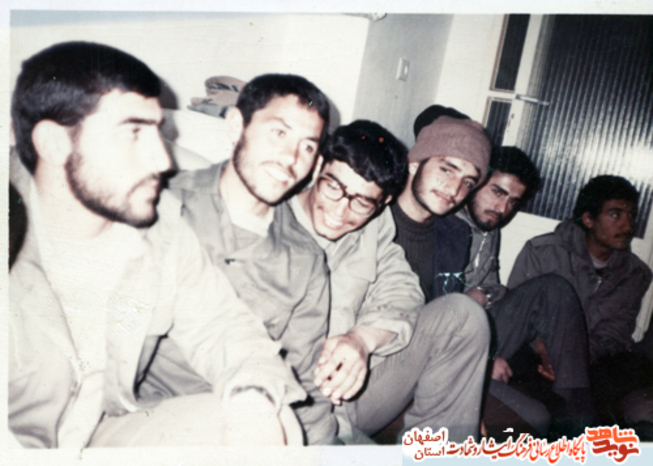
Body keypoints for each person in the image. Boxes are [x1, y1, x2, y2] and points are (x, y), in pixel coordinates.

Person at [9, 41, 305, 448]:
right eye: (133, 132)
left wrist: (251, 407)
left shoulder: (159, 227)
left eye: (157, 132)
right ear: (54, 143)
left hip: (100, 434)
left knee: (272, 417)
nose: (163, 161)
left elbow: (224, 328)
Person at [139, 73, 337, 444]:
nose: (291, 158)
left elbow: (306, 380)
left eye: (307, 146)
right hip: (147, 417)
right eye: (279, 133)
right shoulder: (161, 205)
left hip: (252, 415)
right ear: (236, 126)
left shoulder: (307, 260)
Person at [289, 120, 490, 443]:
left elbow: (404, 291)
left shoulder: (374, 223)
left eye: (362, 201)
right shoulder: (272, 221)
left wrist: (362, 339)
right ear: (317, 170)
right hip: (291, 398)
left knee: (463, 315)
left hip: (354, 390)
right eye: (334, 188)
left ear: (380, 203)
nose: (342, 211)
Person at [457, 147, 593, 438]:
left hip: (482, 324)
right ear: (475, 180)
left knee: (554, 288)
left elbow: (494, 290)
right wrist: (483, 357)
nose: (502, 208)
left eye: (513, 201)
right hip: (452, 341)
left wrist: (540, 342)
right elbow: (438, 313)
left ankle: (580, 415)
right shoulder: (446, 221)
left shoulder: (489, 227)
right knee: (535, 417)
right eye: (497, 192)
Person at [508, 175, 653, 429]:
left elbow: (616, 333)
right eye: (616, 215)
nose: (628, 225)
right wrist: (547, 351)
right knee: (521, 365)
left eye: (631, 214)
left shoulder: (636, 273)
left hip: (589, 361)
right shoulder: (542, 251)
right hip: (538, 354)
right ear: (588, 219)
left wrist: (577, 359)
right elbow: (517, 313)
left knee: (633, 366)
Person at [391, 105, 491, 302]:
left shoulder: (456, 233)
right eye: (447, 170)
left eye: (467, 182)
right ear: (414, 164)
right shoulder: (371, 219)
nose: (454, 190)